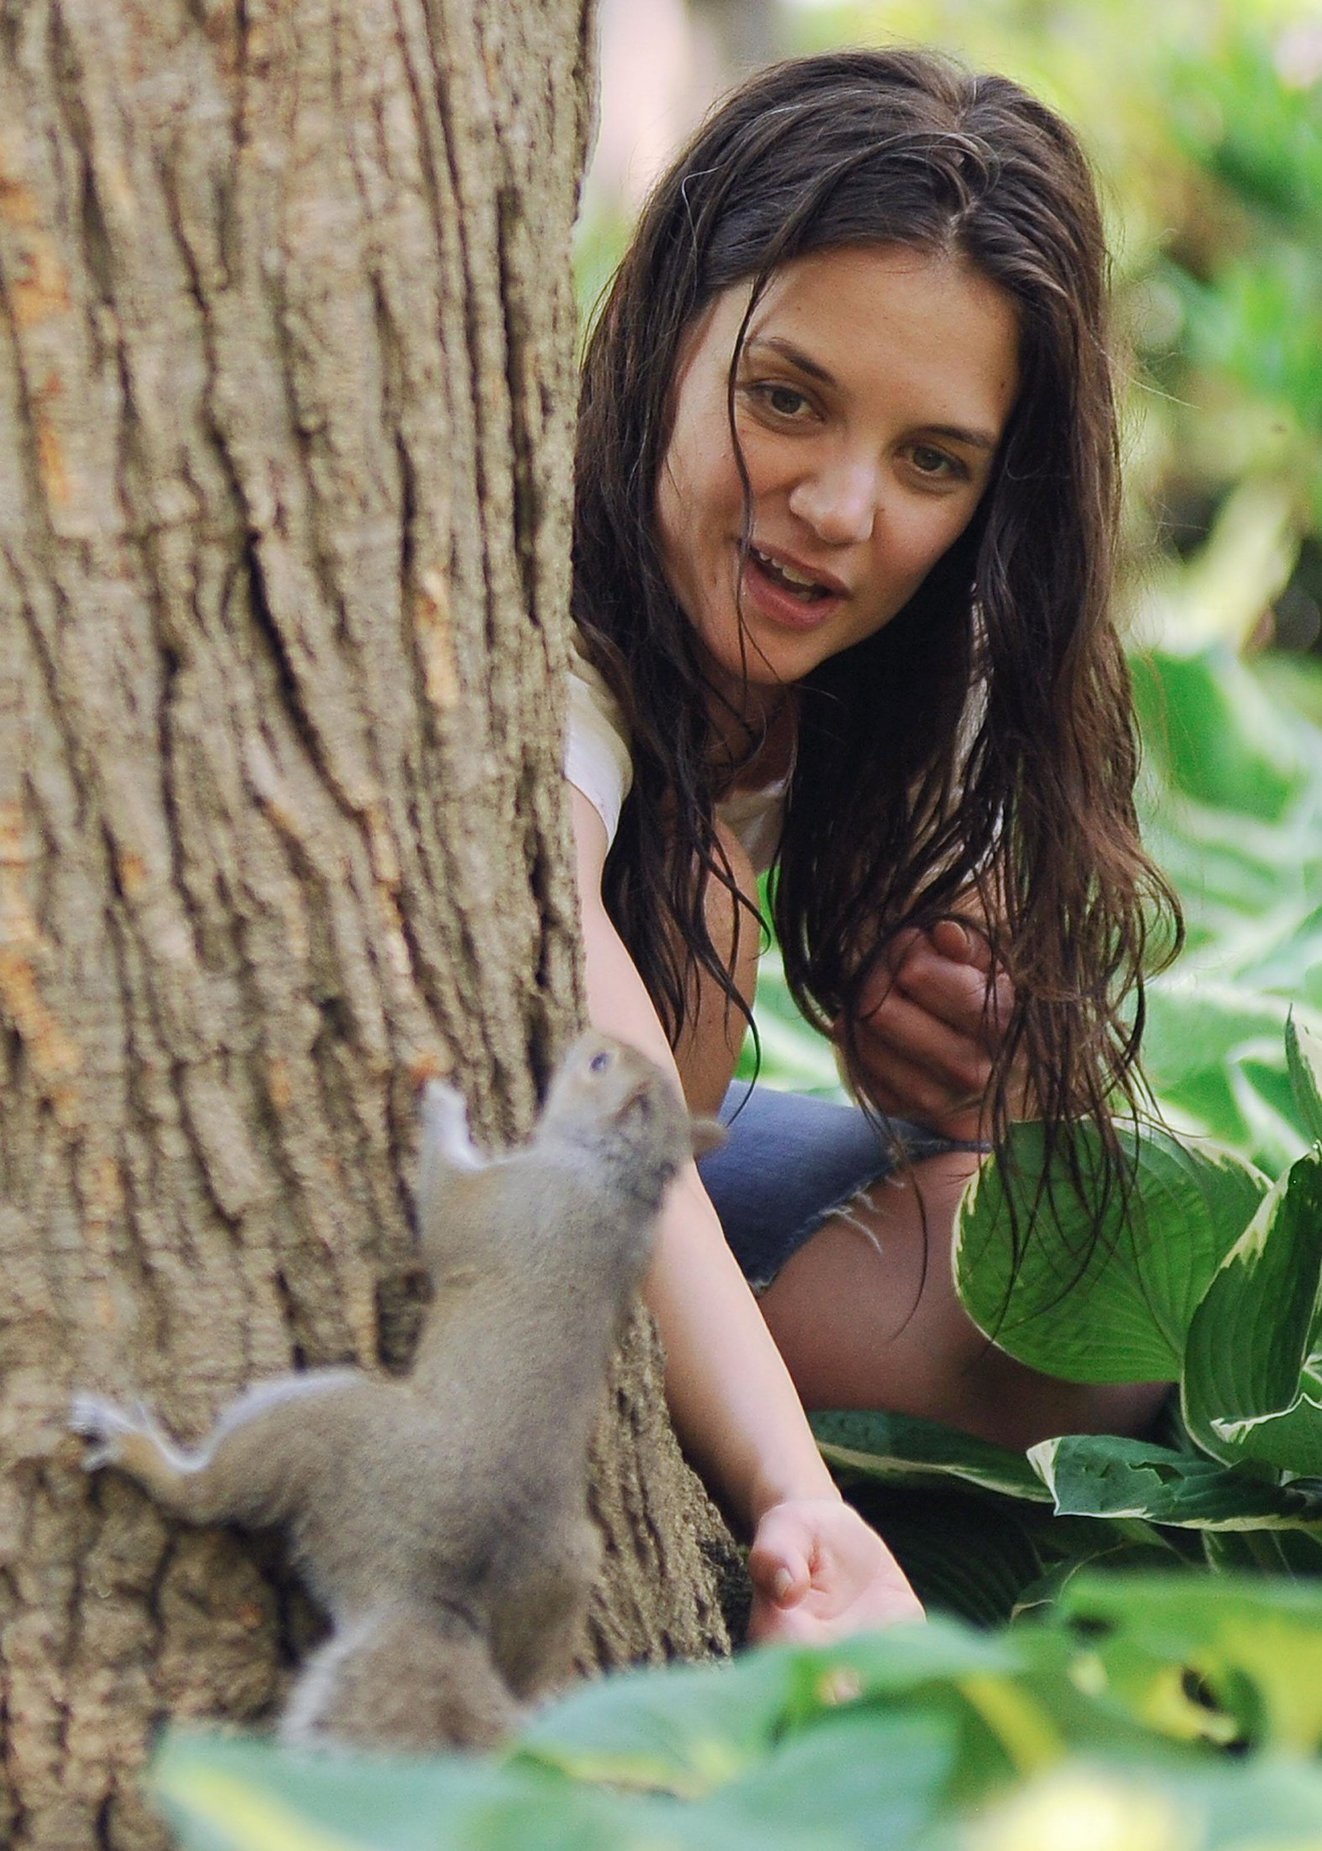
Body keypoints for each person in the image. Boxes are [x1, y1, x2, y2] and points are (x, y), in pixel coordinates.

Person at [565, 47, 1180, 1641]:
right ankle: (701, 1412)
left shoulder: (889, 659)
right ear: (664, 337)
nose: (843, 509)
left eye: (932, 462)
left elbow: (1080, 1244)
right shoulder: (556, 644)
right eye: (786, 399)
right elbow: (590, 1056)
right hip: (544, 1190)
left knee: (1089, 1280)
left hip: (702, 1182)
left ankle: (696, 1381)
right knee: (681, 930)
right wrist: (792, 1493)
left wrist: (1002, 1089)